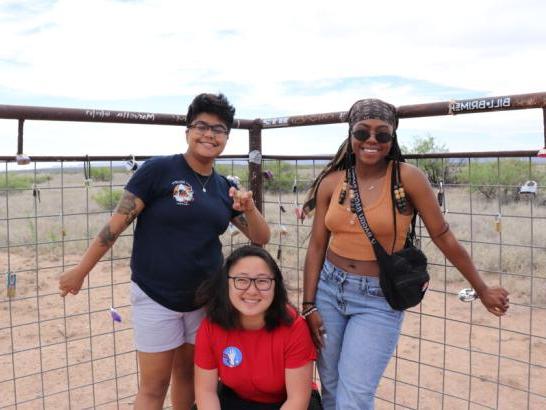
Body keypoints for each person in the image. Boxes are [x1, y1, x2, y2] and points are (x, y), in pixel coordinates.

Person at [58, 93, 271, 410]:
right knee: (154, 386)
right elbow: (113, 228)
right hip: (155, 296)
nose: (209, 135)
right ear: (187, 131)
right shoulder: (157, 171)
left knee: (189, 379)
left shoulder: (222, 187)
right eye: (202, 126)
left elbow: (260, 237)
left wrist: (250, 209)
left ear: (226, 138)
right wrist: (80, 271)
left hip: (203, 301)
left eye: (219, 129)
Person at [301, 98, 510, 410]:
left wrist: (481, 289)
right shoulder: (332, 182)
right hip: (329, 291)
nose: (371, 141)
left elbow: (444, 237)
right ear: (351, 136)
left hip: (377, 297)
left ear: (392, 139)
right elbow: (317, 245)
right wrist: (308, 305)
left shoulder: (407, 178)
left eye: (382, 135)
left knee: (353, 397)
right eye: (362, 133)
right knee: (330, 387)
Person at [194, 245, 319, 410]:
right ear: (226, 284)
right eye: (241, 280)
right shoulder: (211, 325)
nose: (252, 290)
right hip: (235, 399)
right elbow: (206, 393)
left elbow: (297, 400)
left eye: (262, 281)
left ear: (276, 285)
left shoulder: (294, 327)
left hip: (285, 403)